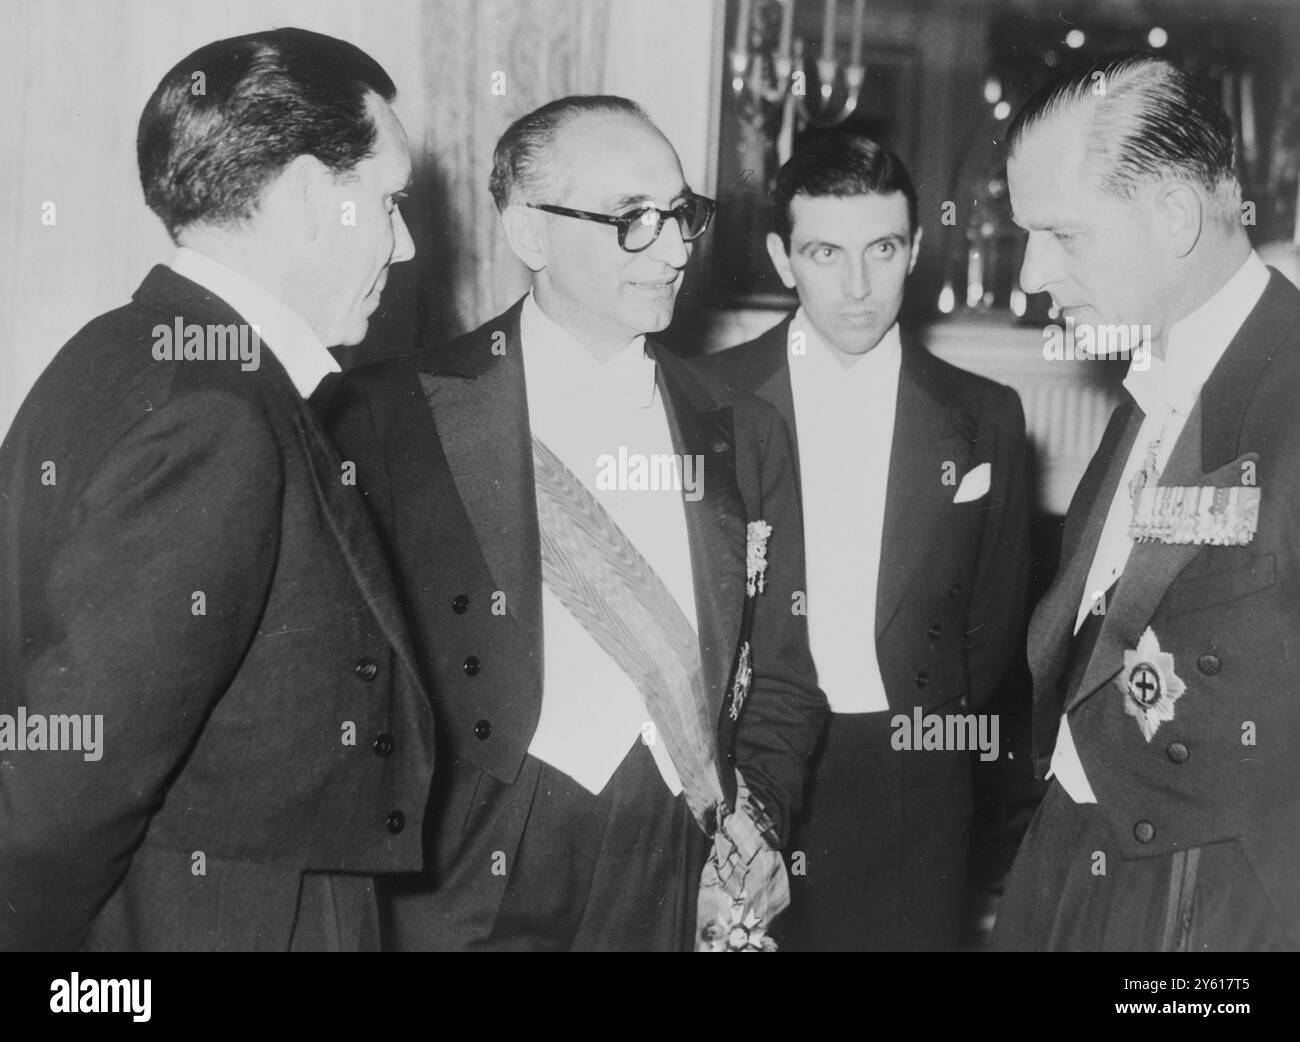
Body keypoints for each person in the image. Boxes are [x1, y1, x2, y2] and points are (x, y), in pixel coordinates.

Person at [326, 95, 825, 951]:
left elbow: (782, 671)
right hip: (468, 862)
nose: (673, 250)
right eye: (634, 220)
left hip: (675, 849)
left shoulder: (744, 429)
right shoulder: (388, 418)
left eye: (682, 216)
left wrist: (762, 822)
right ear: (530, 235)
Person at [0, 28, 434, 951]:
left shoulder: (117, 351)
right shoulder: (222, 418)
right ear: (314, 199)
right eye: (390, 203)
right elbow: (68, 776)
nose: (403, 245)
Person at [996, 53, 1300, 951]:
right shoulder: (1149, 380)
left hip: (1218, 906)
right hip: (1068, 860)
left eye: (1061, 235)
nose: (1029, 275)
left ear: (1174, 214)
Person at [698, 135, 1031, 951]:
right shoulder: (705, 399)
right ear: (782, 258)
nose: (856, 287)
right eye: (824, 252)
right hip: (749, 775)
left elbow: (993, 628)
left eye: (881, 250)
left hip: (912, 776)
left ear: (914, 250)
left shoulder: (985, 415)